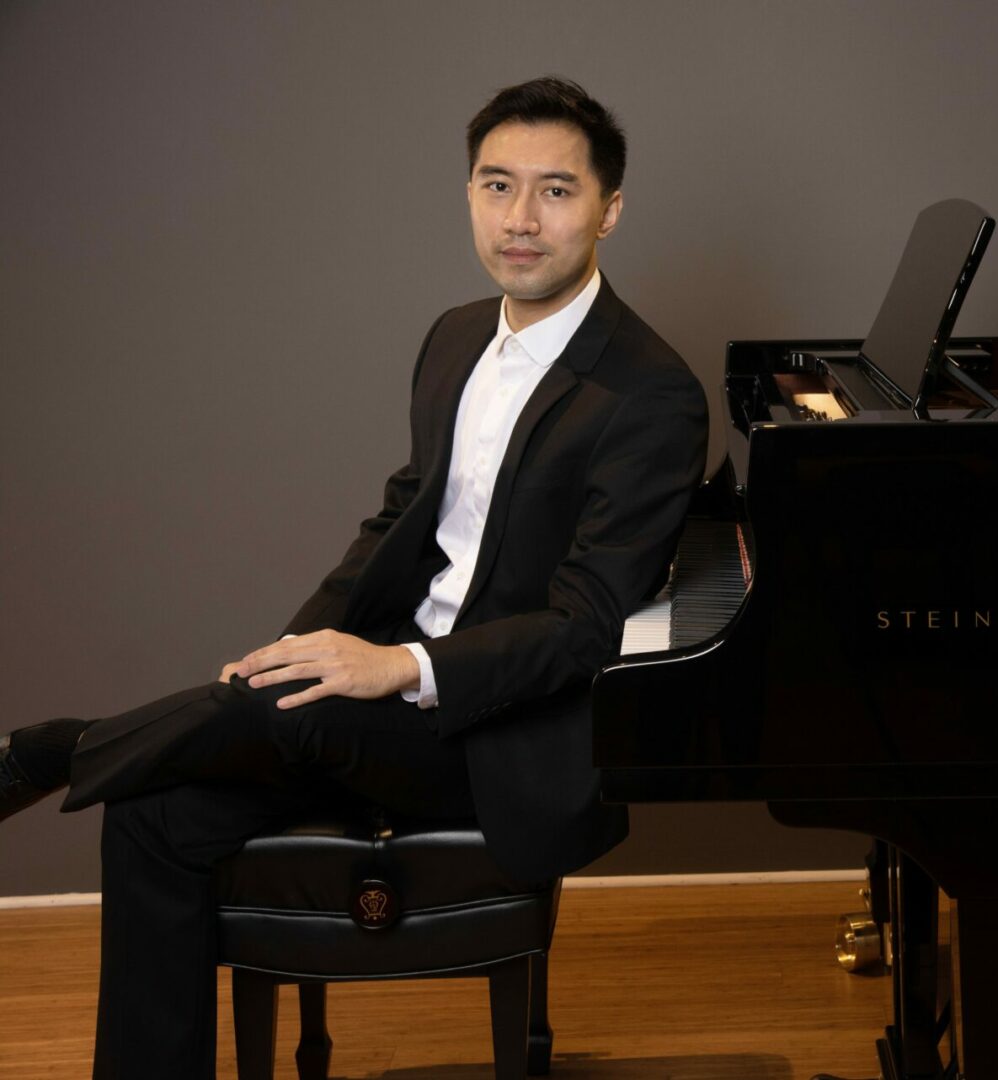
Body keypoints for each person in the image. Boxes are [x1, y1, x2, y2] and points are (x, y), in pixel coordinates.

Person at [0, 76, 707, 1076]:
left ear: (608, 210)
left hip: (500, 734)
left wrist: (398, 667)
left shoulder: (651, 393)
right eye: (496, 185)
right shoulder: (456, 337)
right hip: (389, 698)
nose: (519, 217)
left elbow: (586, 627)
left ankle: (49, 750)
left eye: (555, 191)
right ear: (469, 194)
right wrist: (302, 646)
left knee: (298, 709)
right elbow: (399, 519)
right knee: (152, 814)